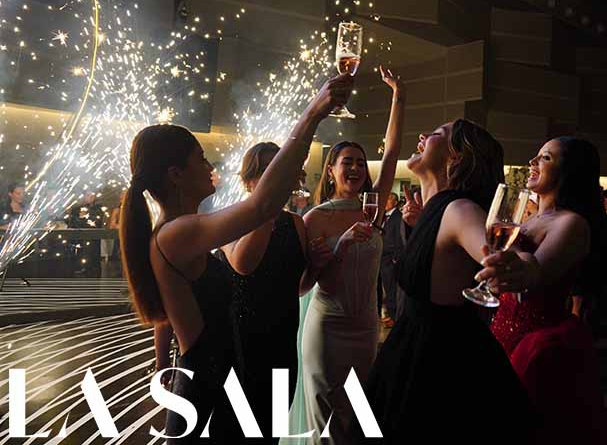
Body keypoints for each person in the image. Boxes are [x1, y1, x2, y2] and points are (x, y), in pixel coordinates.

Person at [119, 74, 352, 443]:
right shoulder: (176, 233)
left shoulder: (182, 229)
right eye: (201, 159)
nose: (210, 167)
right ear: (176, 175)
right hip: (205, 387)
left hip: (218, 380)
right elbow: (261, 206)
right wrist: (312, 114)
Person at [364, 119, 534, 441]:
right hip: (411, 348)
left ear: (456, 157)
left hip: (438, 365)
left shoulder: (459, 209)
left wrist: (517, 267)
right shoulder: (434, 209)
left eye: (438, 133)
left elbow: (505, 253)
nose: (423, 135)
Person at [478, 137, 607, 445]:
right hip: (502, 330)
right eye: (536, 156)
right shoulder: (529, 218)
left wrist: (510, 256)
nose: (532, 163)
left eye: (545, 158)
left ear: (568, 171)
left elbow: (534, 275)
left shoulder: (572, 223)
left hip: (537, 345)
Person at [298, 66, 404, 443]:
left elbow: (391, 152)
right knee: (327, 421)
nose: (357, 168)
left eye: (361, 162)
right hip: (328, 327)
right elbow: (301, 286)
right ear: (331, 171)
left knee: (360, 414)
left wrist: (399, 96)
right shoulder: (314, 218)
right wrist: (338, 247)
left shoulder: (372, 209)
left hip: (365, 327)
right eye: (348, 162)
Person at [216, 142, 308, 442]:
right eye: (267, 171)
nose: (275, 178)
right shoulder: (231, 219)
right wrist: (267, 208)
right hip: (241, 345)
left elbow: (300, 286)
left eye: (280, 171)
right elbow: (244, 264)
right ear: (249, 181)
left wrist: (321, 265)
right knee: (238, 432)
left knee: (271, 431)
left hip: (283, 340)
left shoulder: (296, 224)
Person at [379, 192, 403, 327]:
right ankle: (390, 314)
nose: (385, 202)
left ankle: (395, 317)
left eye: (388, 199)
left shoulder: (398, 217)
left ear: (395, 202)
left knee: (392, 289)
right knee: (386, 289)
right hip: (383, 258)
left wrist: (395, 258)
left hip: (391, 260)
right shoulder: (385, 216)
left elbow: (399, 239)